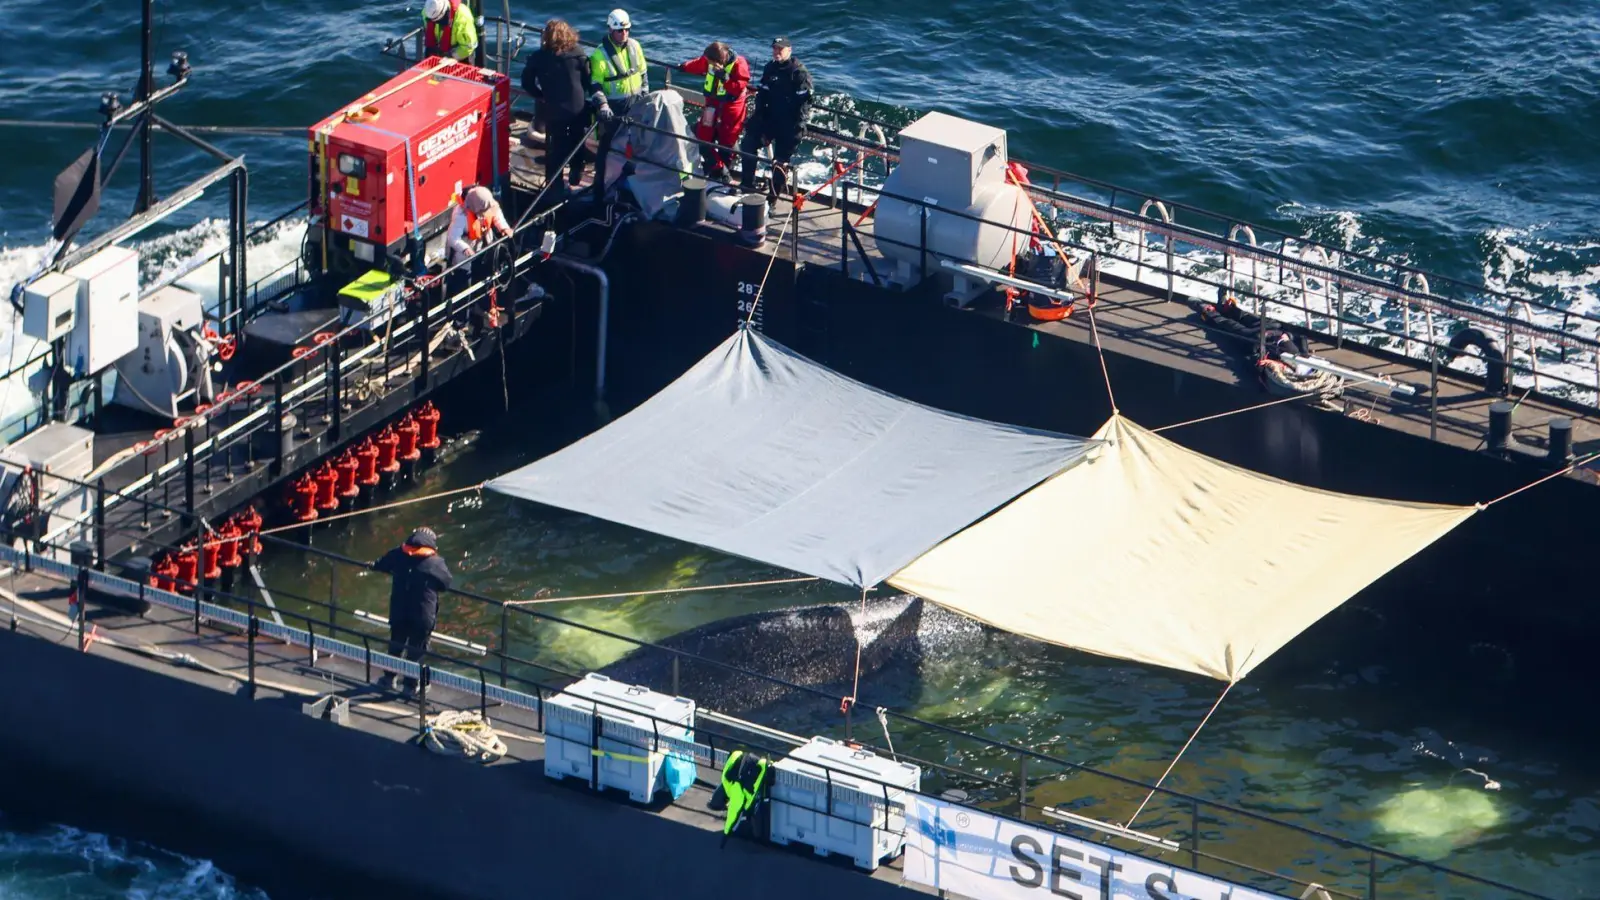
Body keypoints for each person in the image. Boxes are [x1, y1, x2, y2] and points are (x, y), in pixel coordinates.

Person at [521, 18, 612, 191]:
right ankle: (576, 171)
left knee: (555, 145)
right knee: (577, 139)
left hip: (554, 109)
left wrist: (540, 95)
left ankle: (554, 181)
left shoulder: (538, 57)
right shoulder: (578, 53)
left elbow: (527, 82)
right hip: (577, 107)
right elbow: (588, 80)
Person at [373, 528, 453, 695]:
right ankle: (410, 685)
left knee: (395, 645)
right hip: (422, 615)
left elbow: (380, 564)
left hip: (399, 611)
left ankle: (388, 678)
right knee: (416, 651)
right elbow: (446, 583)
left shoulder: (398, 554)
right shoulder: (435, 563)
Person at [739, 37, 812, 199]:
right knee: (748, 143)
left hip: (789, 123)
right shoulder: (770, 68)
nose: (776, 52)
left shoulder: (798, 72)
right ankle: (747, 185)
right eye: (774, 48)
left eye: (780, 49)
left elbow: (805, 103)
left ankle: (772, 199)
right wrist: (758, 117)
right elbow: (762, 94)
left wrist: (797, 126)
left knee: (779, 163)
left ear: (789, 50)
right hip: (769, 118)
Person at [681, 41, 750, 182]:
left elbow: (739, 86)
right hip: (712, 105)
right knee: (703, 136)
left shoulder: (739, 64)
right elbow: (698, 64)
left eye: (711, 62)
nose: (709, 64)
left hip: (731, 108)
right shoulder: (709, 60)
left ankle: (723, 174)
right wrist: (683, 67)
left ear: (720, 61)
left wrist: (725, 78)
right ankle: (718, 169)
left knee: (727, 142)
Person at [589, 9, 648, 116]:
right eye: (620, 30)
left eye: (627, 29)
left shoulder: (635, 46)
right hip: (614, 108)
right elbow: (595, 86)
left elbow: (643, 73)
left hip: (637, 103)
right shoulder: (599, 56)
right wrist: (603, 106)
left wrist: (645, 94)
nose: (624, 33)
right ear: (611, 30)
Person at [446, 185, 513, 266]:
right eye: (483, 211)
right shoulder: (460, 215)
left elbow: (497, 214)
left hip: (485, 245)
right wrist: (465, 249)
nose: (486, 213)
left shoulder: (487, 201)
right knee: (464, 275)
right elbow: (453, 238)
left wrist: (504, 228)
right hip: (466, 254)